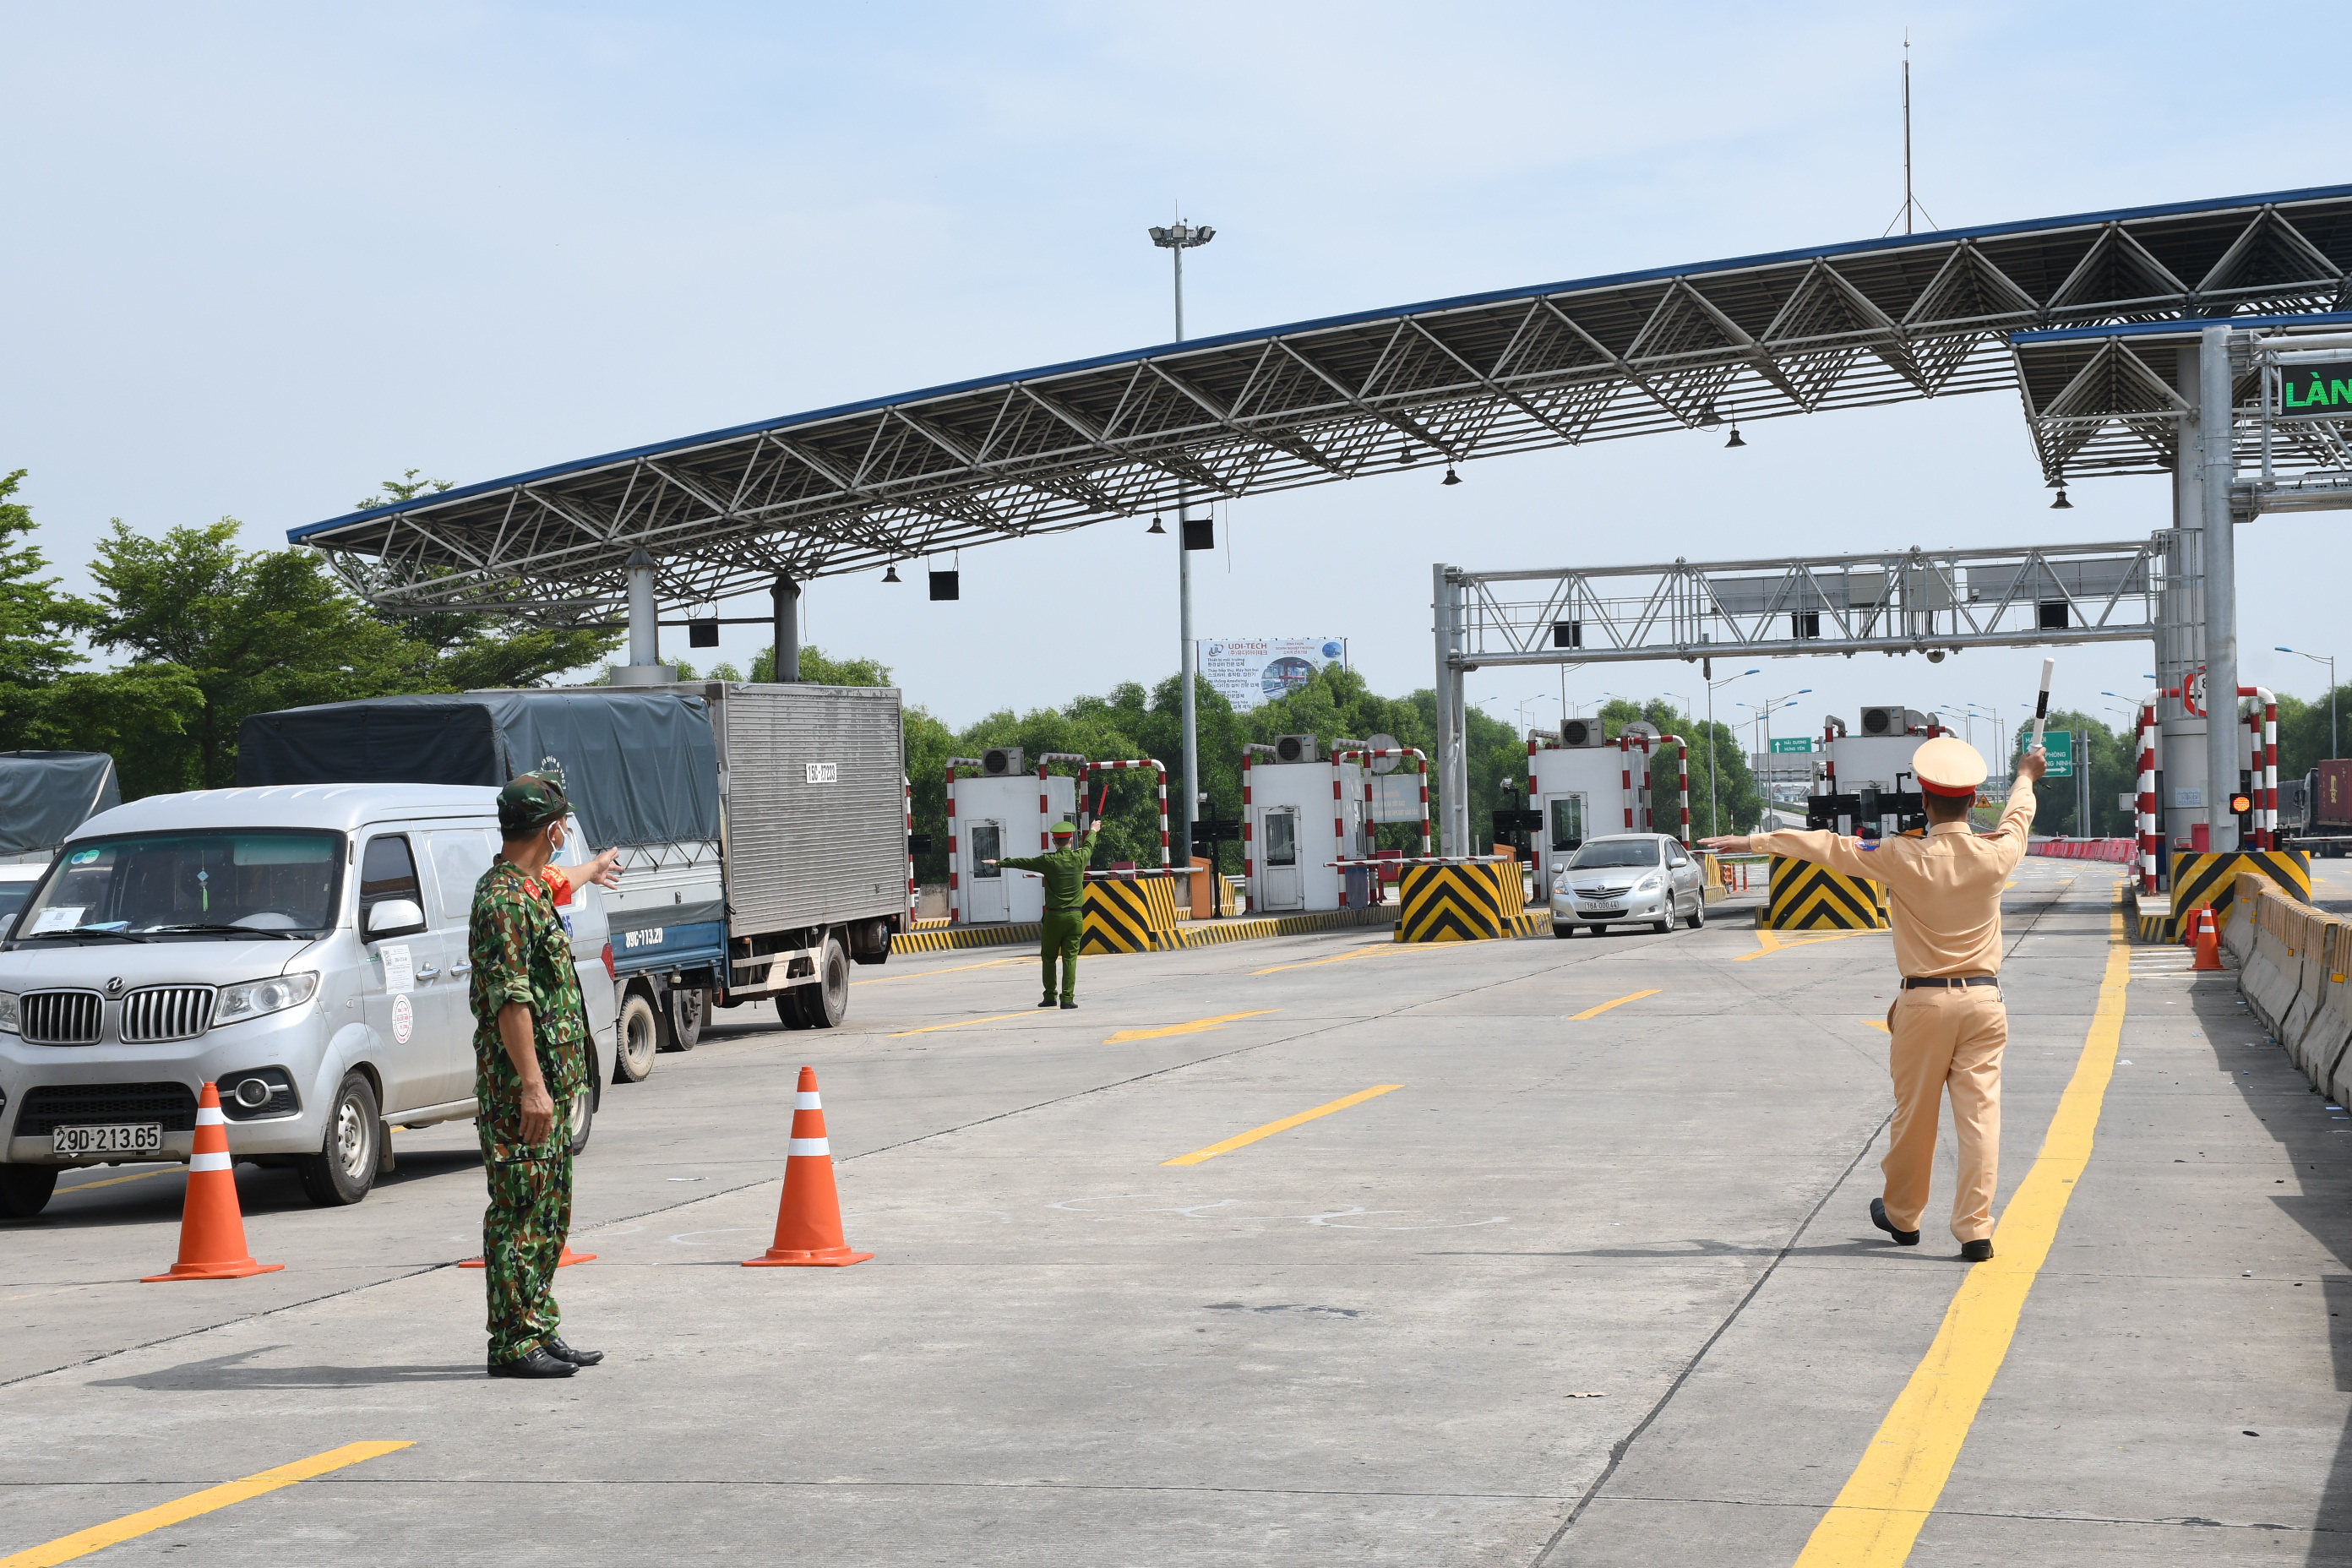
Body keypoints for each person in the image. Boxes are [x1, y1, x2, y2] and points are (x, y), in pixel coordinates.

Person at [1701, 738, 2042, 1262]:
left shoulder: (1901, 855)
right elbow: (2019, 816)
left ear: (1924, 802)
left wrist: (1754, 842)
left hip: (1925, 1004)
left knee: (1916, 1114)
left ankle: (1904, 1217)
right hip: (1984, 1003)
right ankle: (1975, 1229)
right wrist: (2025, 775)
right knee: (1981, 1119)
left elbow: (1827, 847)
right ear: (1974, 802)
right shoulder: (1997, 852)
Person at [470, 771, 623, 1378]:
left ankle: (537, 1325)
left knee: (548, 1213)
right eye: (562, 826)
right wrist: (532, 1084)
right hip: (519, 1092)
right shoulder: (505, 901)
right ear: (549, 830)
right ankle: (510, 1343)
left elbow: (562, 882)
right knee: (518, 1213)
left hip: (550, 1088)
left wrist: (596, 868)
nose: (566, 837)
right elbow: (512, 1002)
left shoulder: (529, 888)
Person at [988, 816, 1102, 1010]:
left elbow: (1023, 862)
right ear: (1071, 840)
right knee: (1070, 958)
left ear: (1053, 841)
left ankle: (1050, 996)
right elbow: (1089, 844)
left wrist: (999, 863)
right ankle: (1067, 998)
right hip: (1075, 917)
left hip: (1054, 917)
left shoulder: (1048, 861)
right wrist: (1093, 829)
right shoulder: (1080, 858)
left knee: (1049, 957)